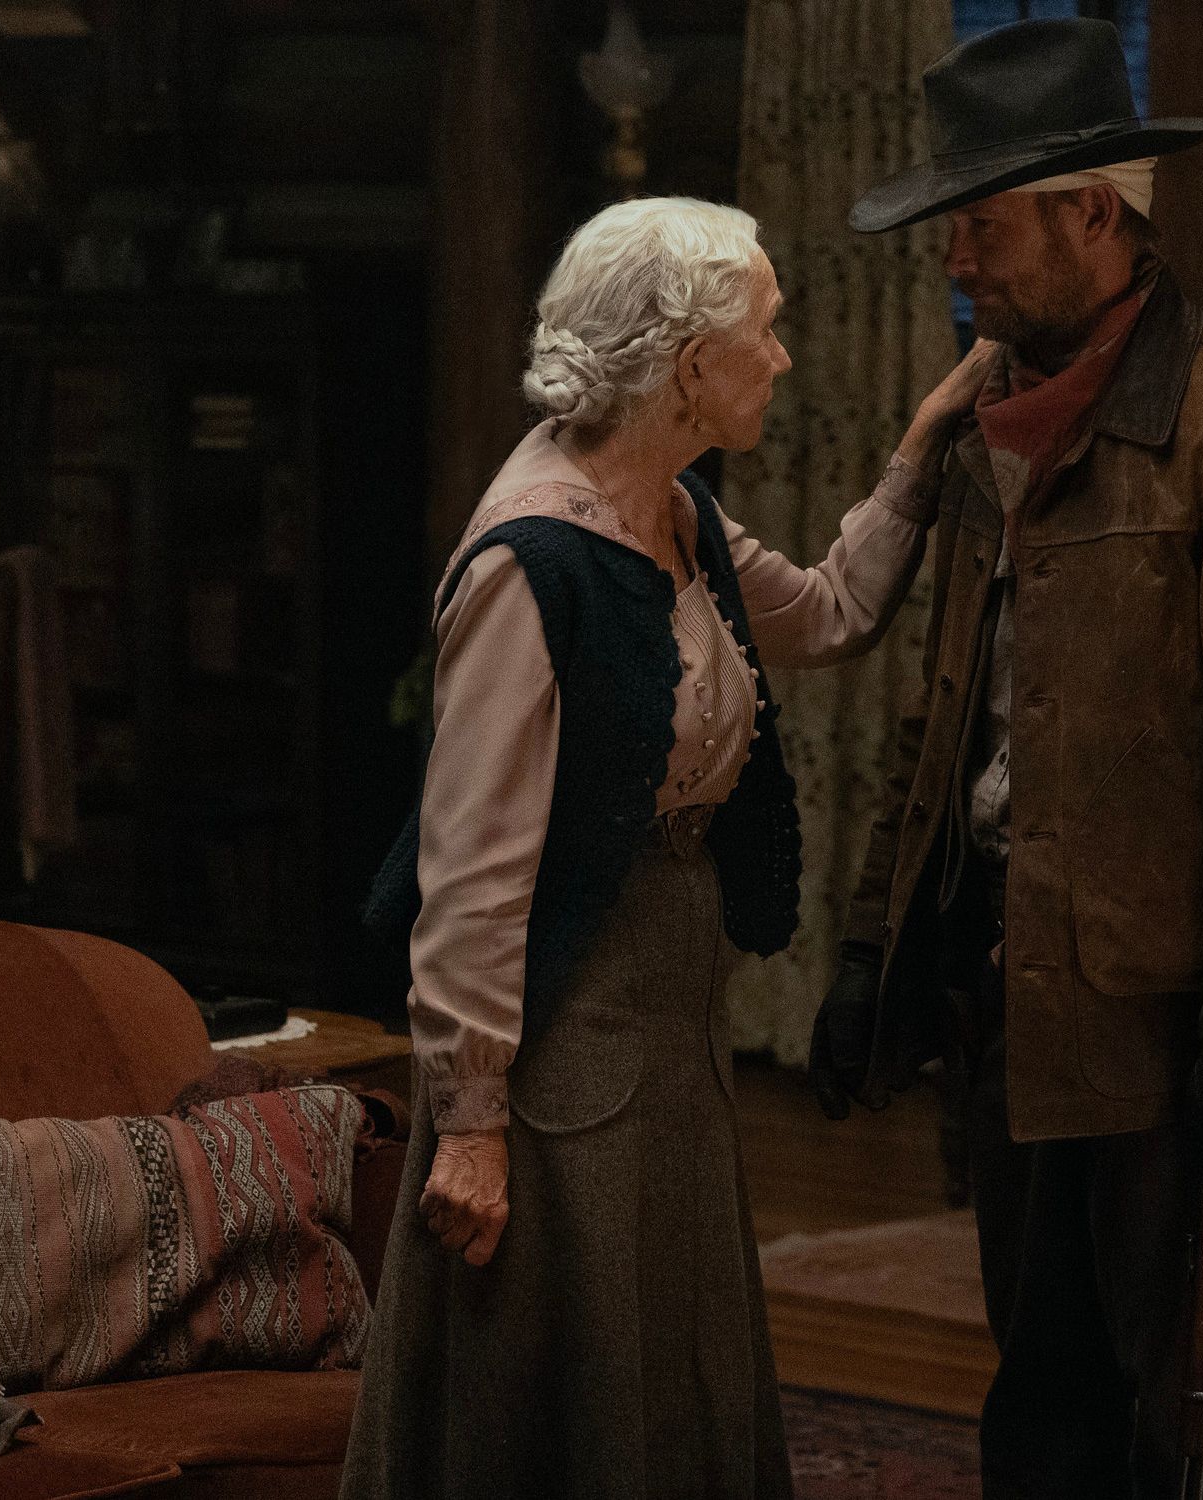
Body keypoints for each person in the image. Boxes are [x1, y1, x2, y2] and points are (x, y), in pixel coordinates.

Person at [346, 196, 996, 1500]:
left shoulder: (677, 513)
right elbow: (471, 882)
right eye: (767, 328)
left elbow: (826, 613)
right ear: (692, 363)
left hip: (668, 1017)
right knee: (567, 1386)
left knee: (670, 1354)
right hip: (560, 1027)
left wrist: (925, 443)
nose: (785, 356)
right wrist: (471, 1128)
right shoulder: (533, 561)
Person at [810, 19, 1203, 1499]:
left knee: (1177, 1421)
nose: (958, 267)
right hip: (1006, 988)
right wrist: (875, 948)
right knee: (1039, 1396)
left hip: (1161, 1013)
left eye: (980, 229)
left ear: (1093, 216)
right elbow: (946, 722)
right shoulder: (990, 427)